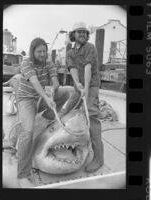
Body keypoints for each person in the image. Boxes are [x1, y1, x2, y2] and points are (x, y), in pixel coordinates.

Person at [14, 38, 70, 187]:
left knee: (65, 93)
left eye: (44, 51)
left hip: (42, 97)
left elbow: (54, 79)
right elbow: (34, 81)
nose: (43, 54)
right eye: (39, 51)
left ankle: (46, 118)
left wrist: (54, 87)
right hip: (26, 99)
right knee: (28, 131)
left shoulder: (49, 62)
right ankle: (22, 176)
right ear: (32, 51)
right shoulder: (26, 63)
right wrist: (46, 97)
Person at [61, 22, 104, 173]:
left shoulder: (90, 47)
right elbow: (72, 68)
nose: (83, 34)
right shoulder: (70, 51)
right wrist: (78, 84)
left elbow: (88, 67)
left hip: (91, 85)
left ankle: (99, 158)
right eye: (79, 32)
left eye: (85, 32)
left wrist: (85, 87)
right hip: (79, 86)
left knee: (91, 115)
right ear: (74, 34)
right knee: (66, 108)